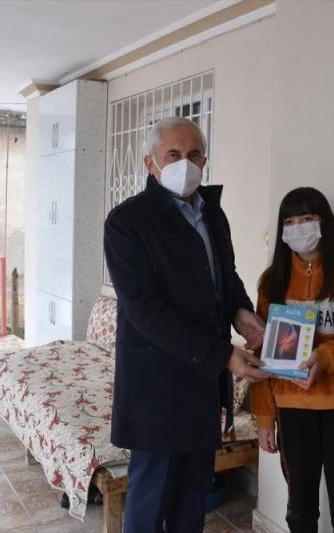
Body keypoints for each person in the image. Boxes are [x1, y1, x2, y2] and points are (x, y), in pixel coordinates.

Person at [103, 117, 270, 533]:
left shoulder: (213, 214)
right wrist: (223, 354)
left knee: (192, 499)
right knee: (149, 500)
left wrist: (241, 312)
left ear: (205, 160)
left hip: (203, 384)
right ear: (150, 163)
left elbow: (224, 276)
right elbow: (144, 309)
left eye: (194, 155)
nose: (186, 164)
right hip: (155, 386)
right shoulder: (127, 222)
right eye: (173, 155)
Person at [250, 187, 334, 533]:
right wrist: (264, 416)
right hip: (292, 407)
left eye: (307, 218)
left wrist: (326, 357)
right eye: (290, 221)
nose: (299, 227)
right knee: (300, 509)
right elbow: (261, 352)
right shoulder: (273, 281)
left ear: (324, 222)